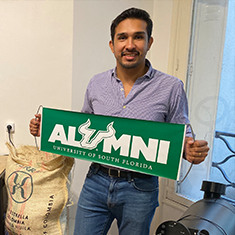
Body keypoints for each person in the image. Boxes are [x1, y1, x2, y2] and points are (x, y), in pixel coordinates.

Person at [29, 8, 209, 235]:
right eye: (122, 37)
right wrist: (44, 128)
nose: (130, 45)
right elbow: (83, 129)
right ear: (112, 45)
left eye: (138, 37)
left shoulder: (171, 87)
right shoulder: (96, 83)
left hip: (140, 188)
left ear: (149, 42)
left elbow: (182, 135)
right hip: (96, 180)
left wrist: (189, 150)